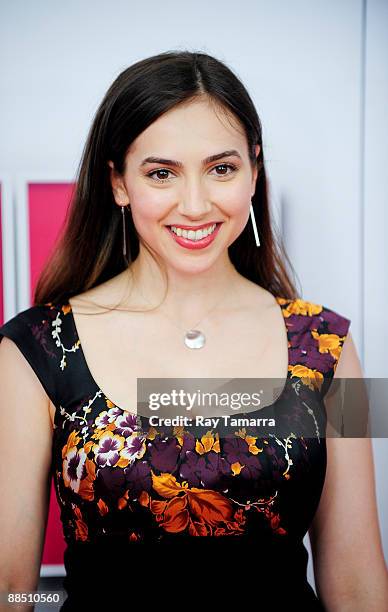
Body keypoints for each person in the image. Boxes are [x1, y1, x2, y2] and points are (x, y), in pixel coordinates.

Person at [0, 50, 387, 611]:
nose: (196, 204)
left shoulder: (333, 345)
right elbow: (9, 583)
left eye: (221, 168)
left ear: (254, 171)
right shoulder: (31, 350)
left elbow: (357, 580)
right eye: (162, 173)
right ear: (118, 182)